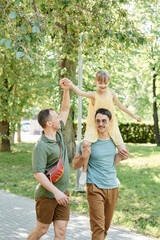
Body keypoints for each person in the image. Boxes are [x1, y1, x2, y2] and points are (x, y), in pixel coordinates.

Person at [61, 71, 141, 185]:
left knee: (123, 150)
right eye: (100, 83)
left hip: (110, 124)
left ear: (108, 82)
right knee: (86, 145)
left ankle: (111, 172)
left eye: (105, 83)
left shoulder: (112, 93)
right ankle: (84, 171)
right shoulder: (94, 95)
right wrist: (71, 84)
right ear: (96, 82)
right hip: (95, 124)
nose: (103, 86)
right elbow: (80, 92)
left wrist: (134, 116)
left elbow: (120, 106)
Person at [72, 108, 129, 240]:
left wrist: (121, 156)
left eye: (104, 121)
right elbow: (75, 165)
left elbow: (111, 163)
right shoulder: (88, 141)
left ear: (110, 122)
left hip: (112, 187)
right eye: (98, 121)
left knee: (105, 227)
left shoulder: (115, 141)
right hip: (94, 186)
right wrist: (84, 156)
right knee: (98, 228)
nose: (101, 124)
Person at [27, 80, 71, 240]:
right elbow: (38, 174)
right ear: (49, 123)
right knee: (42, 229)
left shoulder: (58, 134)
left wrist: (66, 90)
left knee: (61, 231)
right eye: (56, 117)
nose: (60, 118)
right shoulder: (41, 146)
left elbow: (65, 109)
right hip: (47, 195)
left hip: (62, 193)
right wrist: (56, 192)